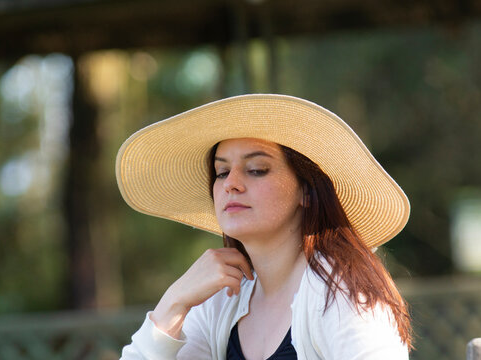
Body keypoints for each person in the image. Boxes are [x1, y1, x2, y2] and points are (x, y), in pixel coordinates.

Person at [116, 94, 412, 359]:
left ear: (306, 192)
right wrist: (175, 302)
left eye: (256, 169)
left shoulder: (345, 293)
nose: (231, 183)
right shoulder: (221, 300)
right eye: (221, 172)